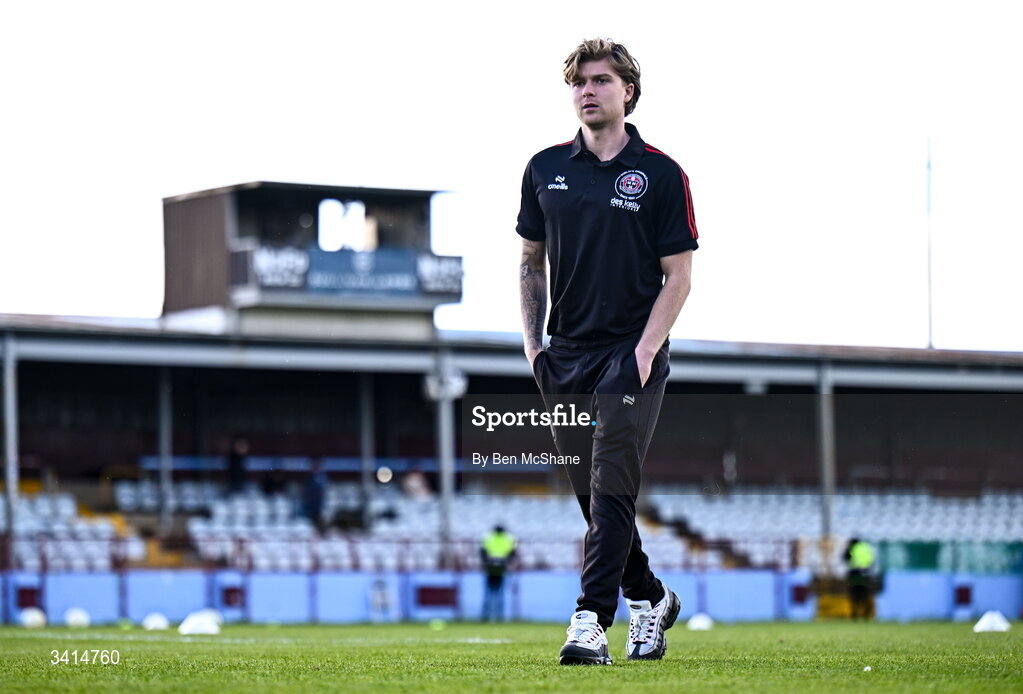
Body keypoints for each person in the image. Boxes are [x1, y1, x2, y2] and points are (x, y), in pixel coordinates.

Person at [517, 38, 698, 665]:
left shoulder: (660, 173)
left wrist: (647, 349)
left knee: (611, 480)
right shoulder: (544, 169)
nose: (587, 90)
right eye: (579, 82)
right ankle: (649, 598)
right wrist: (532, 344)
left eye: (601, 80)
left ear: (628, 91)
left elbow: (679, 274)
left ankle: (590, 621)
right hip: (562, 355)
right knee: (592, 496)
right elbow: (528, 263)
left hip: (630, 352)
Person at [480, 525, 517, 622]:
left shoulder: (488, 537)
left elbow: (482, 551)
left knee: (492, 594)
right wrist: (506, 560)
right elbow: (513, 553)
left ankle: (490, 616)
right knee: (494, 594)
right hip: (497, 568)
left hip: (496, 568)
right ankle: (493, 616)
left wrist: (488, 560)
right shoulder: (508, 538)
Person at [845, 537, 877, 620]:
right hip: (865, 573)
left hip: (854, 573)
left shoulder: (852, 548)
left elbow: (845, 558)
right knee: (864, 594)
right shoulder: (866, 547)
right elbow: (872, 560)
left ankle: (854, 614)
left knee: (854, 594)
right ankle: (866, 614)